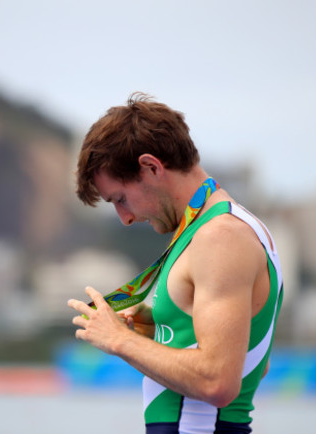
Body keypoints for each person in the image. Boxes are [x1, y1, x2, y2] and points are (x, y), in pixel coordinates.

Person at [67, 92, 283, 433]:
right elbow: (253, 361)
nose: (123, 218)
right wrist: (159, 329)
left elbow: (218, 382)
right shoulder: (212, 228)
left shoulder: (219, 237)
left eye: (120, 199)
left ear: (152, 167)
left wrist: (120, 341)